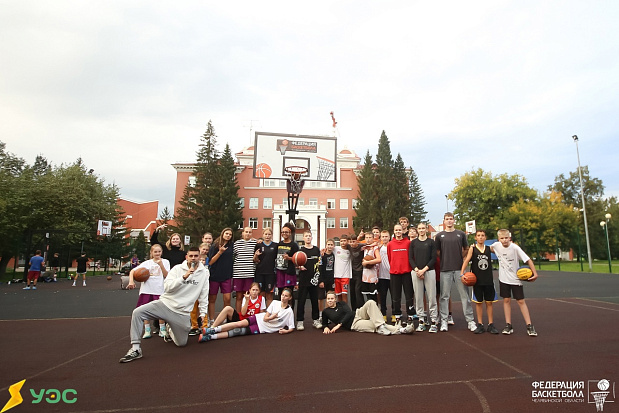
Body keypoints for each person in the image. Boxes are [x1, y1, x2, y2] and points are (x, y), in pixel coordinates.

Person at [119, 247, 209, 363]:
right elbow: (167, 287)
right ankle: (135, 349)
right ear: (186, 257)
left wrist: (202, 313)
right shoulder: (177, 269)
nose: (193, 258)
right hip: (165, 304)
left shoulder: (204, 274)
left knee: (182, 343)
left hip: (182, 312)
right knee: (137, 312)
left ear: (199, 257)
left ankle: (169, 329)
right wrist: (183, 277)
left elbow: (203, 294)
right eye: (190, 256)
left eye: (196, 256)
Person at [198, 287, 295, 342]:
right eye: (282, 295)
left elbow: (291, 327)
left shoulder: (289, 311)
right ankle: (212, 329)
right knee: (238, 324)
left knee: (237, 332)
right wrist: (272, 317)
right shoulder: (274, 302)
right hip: (258, 318)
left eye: (286, 296)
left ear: (290, 298)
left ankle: (210, 337)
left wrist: (286, 332)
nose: (283, 297)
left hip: (262, 328)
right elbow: (265, 318)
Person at [490, 229, 539, 336]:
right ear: (499, 239)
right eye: (502, 238)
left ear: (510, 238)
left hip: (515, 279)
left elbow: (528, 260)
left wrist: (535, 273)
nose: (504, 240)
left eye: (506, 238)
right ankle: (508, 325)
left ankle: (529, 325)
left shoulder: (515, 248)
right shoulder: (496, 245)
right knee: (506, 300)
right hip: (503, 279)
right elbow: (490, 248)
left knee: (521, 301)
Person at [435, 212, 475, 332]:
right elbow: (437, 251)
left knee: (465, 296)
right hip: (445, 269)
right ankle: (444, 321)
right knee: (444, 297)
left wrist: (460, 256)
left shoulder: (461, 234)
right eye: (447, 219)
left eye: (451, 219)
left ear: (454, 221)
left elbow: (467, 249)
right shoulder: (439, 236)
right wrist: (445, 257)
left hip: (459, 270)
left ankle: (470, 321)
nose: (449, 221)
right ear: (444, 221)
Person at [127, 244, 171, 339]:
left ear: (162, 252)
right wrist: (131, 281)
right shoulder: (147, 263)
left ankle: (162, 329)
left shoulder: (166, 262)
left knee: (161, 310)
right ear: (151, 253)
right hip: (147, 290)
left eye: (159, 251)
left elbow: (167, 275)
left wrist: (161, 265)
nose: (157, 253)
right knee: (144, 310)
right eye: (155, 252)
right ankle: (147, 330)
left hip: (159, 290)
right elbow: (132, 271)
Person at [460, 229, 499, 334]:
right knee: (478, 303)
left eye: (482, 235)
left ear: (485, 238)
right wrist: (462, 273)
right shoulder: (473, 249)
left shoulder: (489, 249)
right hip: (477, 280)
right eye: (479, 235)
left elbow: (501, 250)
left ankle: (491, 324)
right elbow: (467, 260)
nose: (481, 237)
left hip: (488, 280)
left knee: (489, 302)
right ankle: (480, 324)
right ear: (475, 238)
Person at [321, 291, 413, 335]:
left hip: (358, 314)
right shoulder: (326, 312)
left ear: (335, 299)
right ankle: (402, 330)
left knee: (370, 302)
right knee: (374, 325)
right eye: (328, 299)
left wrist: (339, 325)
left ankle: (381, 326)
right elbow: (324, 323)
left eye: (332, 298)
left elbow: (349, 313)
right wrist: (325, 327)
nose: (330, 300)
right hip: (354, 324)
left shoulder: (341, 303)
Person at [409, 223, 438, 333]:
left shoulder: (431, 242)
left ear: (426, 229)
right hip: (416, 272)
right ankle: (421, 321)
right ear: (417, 230)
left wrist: (423, 270)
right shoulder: (413, 243)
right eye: (419, 228)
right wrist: (417, 270)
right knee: (418, 297)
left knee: (431, 297)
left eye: (423, 228)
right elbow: (410, 258)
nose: (421, 230)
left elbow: (433, 258)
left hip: (429, 271)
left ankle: (434, 321)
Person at [207, 228, 234, 326]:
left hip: (227, 275)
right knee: (212, 299)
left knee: (227, 299)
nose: (228, 236)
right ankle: (211, 319)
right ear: (222, 234)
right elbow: (210, 262)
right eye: (226, 233)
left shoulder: (232, 245)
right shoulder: (215, 245)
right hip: (215, 275)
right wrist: (220, 252)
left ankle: (225, 318)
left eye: (230, 234)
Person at [387, 224, 414, 324]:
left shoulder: (408, 243)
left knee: (409, 295)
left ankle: (410, 314)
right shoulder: (390, 244)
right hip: (395, 273)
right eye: (396, 230)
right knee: (396, 295)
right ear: (394, 231)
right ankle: (397, 314)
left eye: (400, 230)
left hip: (407, 272)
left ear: (403, 231)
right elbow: (390, 258)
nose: (398, 232)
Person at [295, 230, 321, 330]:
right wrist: (299, 266)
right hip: (303, 279)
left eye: (309, 236)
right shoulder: (300, 251)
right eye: (306, 236)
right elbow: (296, 263)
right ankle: (300, 321)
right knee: (301, 301)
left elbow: (319, 263)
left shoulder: (316, 250)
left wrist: (319, 278)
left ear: (312, 237)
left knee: (315, 300)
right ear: (303, 238)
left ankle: (316, 320)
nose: (308, 237)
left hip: (314, 279)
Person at [189, 240, 213, 336]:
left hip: (202, 291)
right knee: (193, 310)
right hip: (192, 292)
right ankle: (194, 326)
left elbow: (206, 281)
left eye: (203, 260)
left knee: (203, 307)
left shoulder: (205, 270)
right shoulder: (188, 267)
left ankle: (204, 326)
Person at [233, 227, 257, 314]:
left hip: (249, 273)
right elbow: (233, 255)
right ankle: (238, 315)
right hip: (238, 273)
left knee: (248, 295)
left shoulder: (255, 243)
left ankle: (246, 313)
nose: (248, 234)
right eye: (246, 232)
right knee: (239, 296)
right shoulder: (237, 244)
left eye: (250, 232)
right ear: (243, 233)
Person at [253, 228, 279, 306]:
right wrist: (256, 256)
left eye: (269, 234)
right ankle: (261, 312)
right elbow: (255, 260)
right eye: (266, 234)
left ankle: (269, 313)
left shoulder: (275, 245)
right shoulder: (258, 245)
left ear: (271, 235)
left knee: (269, 294)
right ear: (263, 235)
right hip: (260, 273)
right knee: (261, 294)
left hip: (270, 273)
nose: (267, 236)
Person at [275, 223, 299, 298]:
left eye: (286, 232)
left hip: (289, 272)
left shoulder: (294, 245)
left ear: (290, 233)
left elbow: (297, 259)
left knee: (289, 292)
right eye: (283, 232)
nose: (284, 234)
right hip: (279, 271)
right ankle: (282, 309)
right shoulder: (279, 244)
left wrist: (289, 258)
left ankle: (290, 309)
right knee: (280, 292)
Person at [318, 239, 336, 319]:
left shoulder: (334, 255)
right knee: (321, 297)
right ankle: (321, 314)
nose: (330, 246)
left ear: (334, 246)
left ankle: (327, 314)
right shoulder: (322, 256)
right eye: (328, 244)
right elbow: (319, 268)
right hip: (323, 279)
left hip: (331, 279)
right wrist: (320, 280)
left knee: (329, 297)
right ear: (326, 245)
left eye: (331, 245)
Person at [360, 232, 380, 303]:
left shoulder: (375, 248)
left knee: (373, 296)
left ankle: (375, 311)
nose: (368, 239)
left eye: (370, 237)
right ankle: (369, 312)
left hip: (372, 276)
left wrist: (367, 262)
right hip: (365, 276)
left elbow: (379, 259)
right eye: (366, 238)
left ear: (373, 238)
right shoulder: (364, 248)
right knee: (367, 296)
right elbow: (354, 243)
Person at [377, 230, 392, 319]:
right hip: (382, 276)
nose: (385, 238)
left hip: (392, 275)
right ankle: (383, 314)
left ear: (389, 237)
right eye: (383, 236)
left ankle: (395, 313)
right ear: (381, 238)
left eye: (386, 236)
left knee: (394, 296)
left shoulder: (392, 246)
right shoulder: (379, 248)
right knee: (383, 296)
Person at [333, 234, 352, 303]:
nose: (343, 242)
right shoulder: (336, 249)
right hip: (337, 276)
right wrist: (323, 250)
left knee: (344, 294)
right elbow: (327, 249)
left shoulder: (350, 250)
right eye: (341, 241)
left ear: (347, 241)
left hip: (345, 276)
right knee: (339, 295)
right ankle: (340, 310)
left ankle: (345, 311)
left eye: (344, 241)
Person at [349, 234, 365, 309]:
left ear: (357, 241)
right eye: (351, 242)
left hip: (359, 271)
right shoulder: (349, 247)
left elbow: (371, 244)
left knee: (358, 290)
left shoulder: (361, 246)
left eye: (354, 241)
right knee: (352, 291)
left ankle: (361, 308)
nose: (352, 243)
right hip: (351, 272)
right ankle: (354, 309)